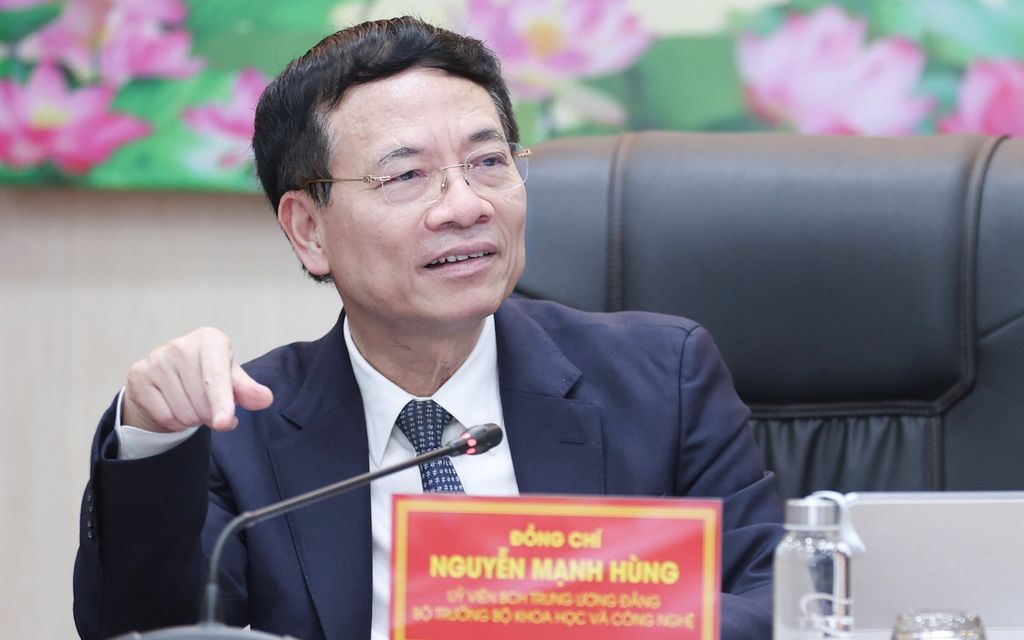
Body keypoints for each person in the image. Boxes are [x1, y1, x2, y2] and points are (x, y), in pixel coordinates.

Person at [73, 16, 784, 640]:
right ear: (309, 229)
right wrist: (154, 439)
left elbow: (778, 601)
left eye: (488, 162)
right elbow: (147, 631)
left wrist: (590, 624)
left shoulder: (662, 381)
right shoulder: (239, 431)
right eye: (406, 176)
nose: (466, 206)